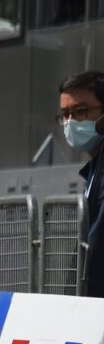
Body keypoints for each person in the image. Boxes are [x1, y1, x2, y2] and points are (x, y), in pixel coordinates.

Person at [60, 71, 104, 297]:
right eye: (65, 114)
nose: (70, 123)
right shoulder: (96, 166)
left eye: (80, 112)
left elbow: (97, 241)